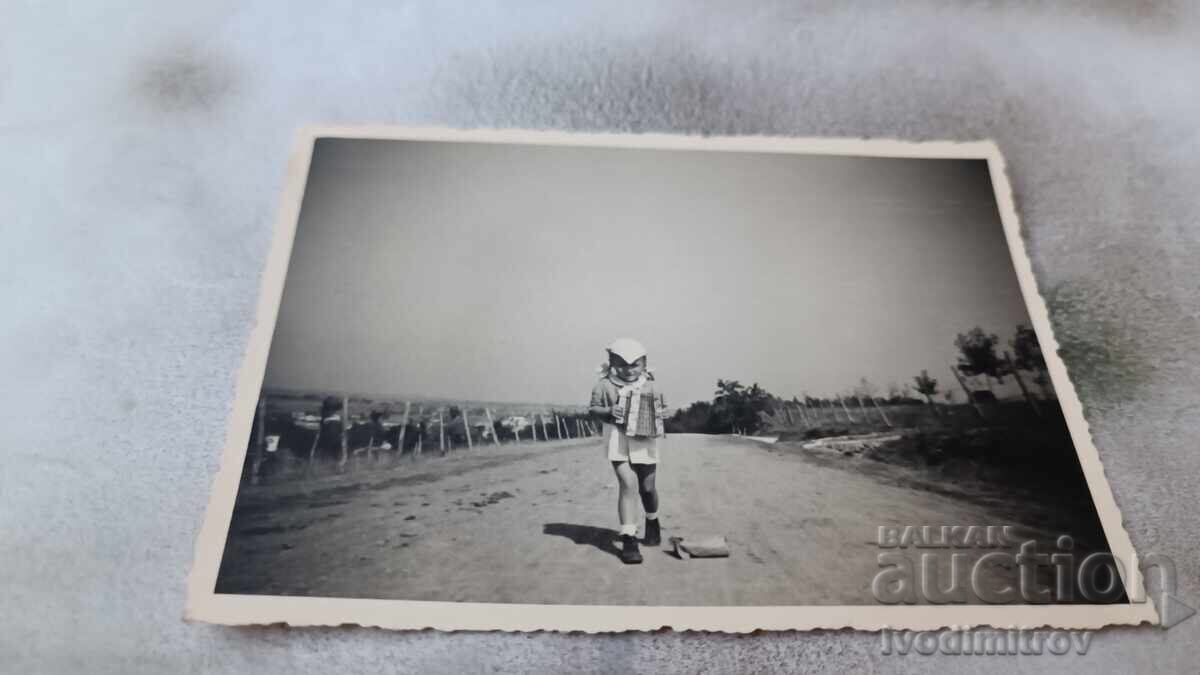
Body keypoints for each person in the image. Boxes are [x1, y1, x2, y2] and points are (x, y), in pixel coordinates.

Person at [588, 338, 666, 565]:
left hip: (645, 439)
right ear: (611, 363)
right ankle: (629, 538)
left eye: (635, 365)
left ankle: (652, 520)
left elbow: (662, 408)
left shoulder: (651, 385)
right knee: (628, 485)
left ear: (644, 364)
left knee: (647, 487)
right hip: (617, 440)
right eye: (621, 364)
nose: (628, 370)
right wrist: (609, 411)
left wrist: (663, 414)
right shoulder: (604, 385)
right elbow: (593, 410)